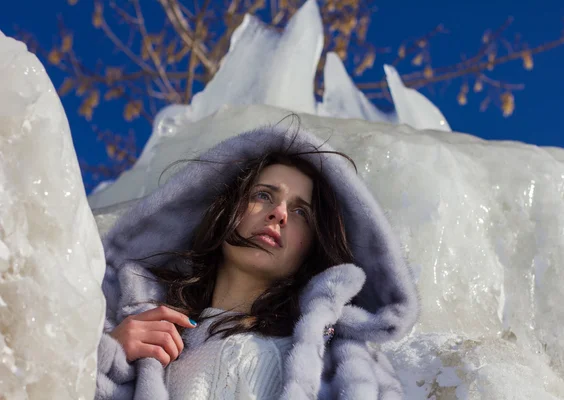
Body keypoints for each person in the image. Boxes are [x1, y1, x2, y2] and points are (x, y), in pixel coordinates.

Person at [94, 121, 419, 399]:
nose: (278, 213)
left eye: (300, 211)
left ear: (312, 246)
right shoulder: (147, 330)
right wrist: (105, 356)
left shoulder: (342, 357)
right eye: (263, 195)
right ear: (226, 211)